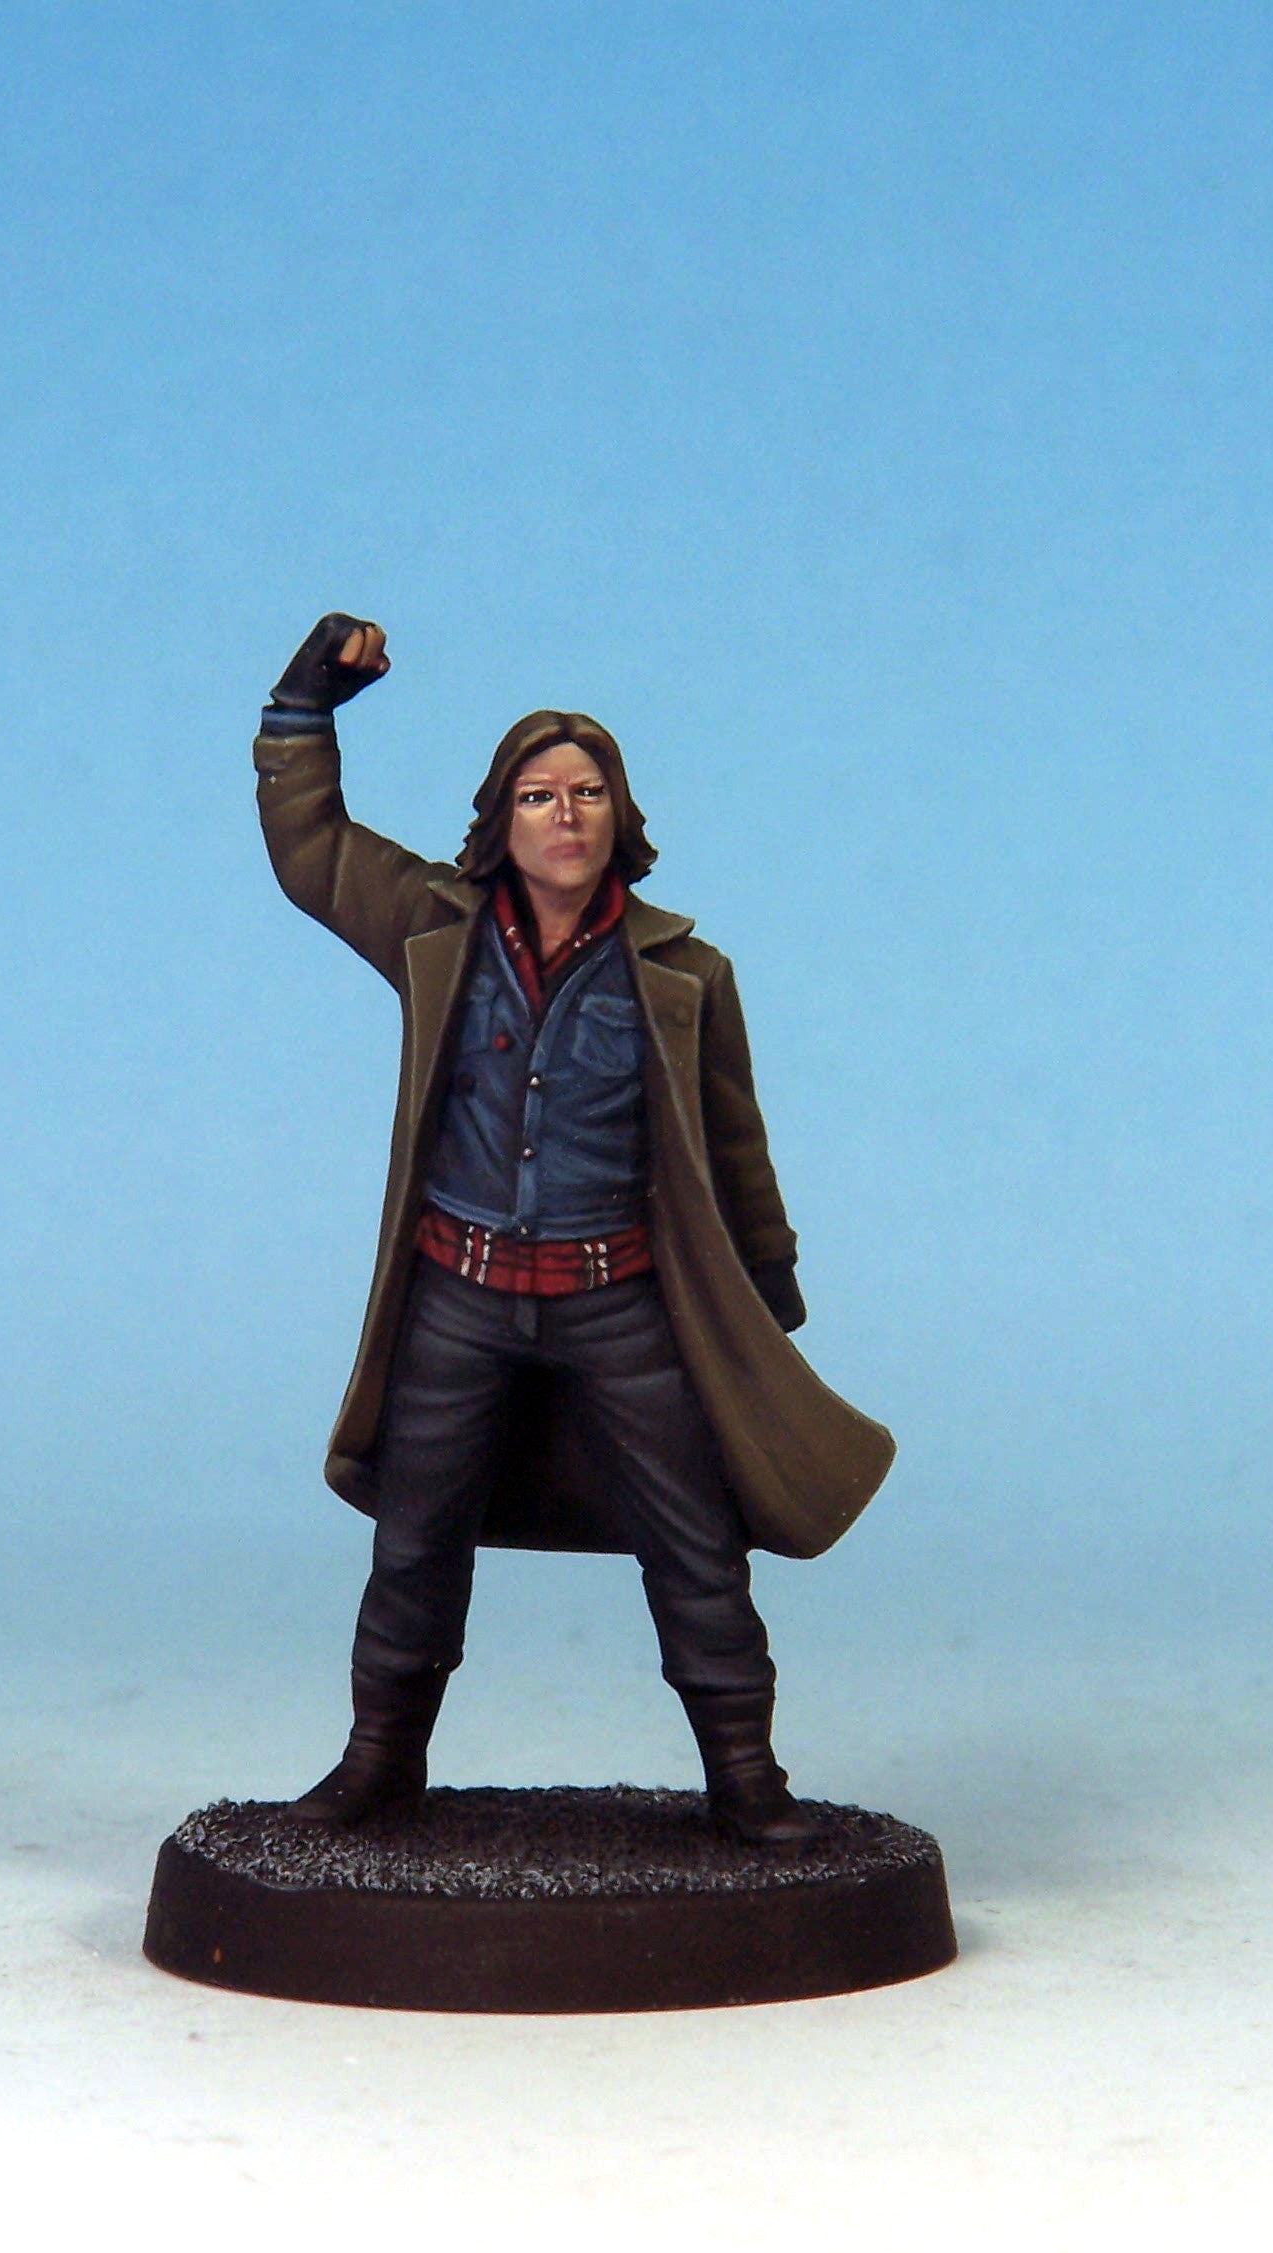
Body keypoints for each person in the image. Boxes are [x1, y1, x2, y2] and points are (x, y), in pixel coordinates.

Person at [255, 614, 895, 1844]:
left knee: (697, 1545)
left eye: (588, 793)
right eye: (540, 795)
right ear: (502, 817)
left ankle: (746, 1778)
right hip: (458, 1292)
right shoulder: (433, 925)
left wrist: (766, 1284)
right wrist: (300, 712)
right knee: (415, 1542)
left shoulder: (685, 973)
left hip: (623, 1302)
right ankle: (379, 1763)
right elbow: (312, 848)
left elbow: (733, 1141)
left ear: (620, 815)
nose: (565, 815)